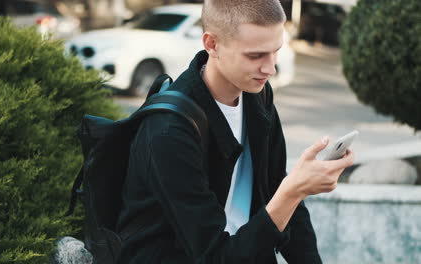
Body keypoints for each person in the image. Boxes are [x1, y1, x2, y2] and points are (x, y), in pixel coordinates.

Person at [116, 0, 355, 263]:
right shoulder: (169, 131)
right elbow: (214, 256)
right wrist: (294, 190)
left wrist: (291, 192)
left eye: (275, 52)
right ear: (212, 44)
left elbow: (279, 191)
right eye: (255, 56)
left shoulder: (257, 96)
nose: (270, 68)